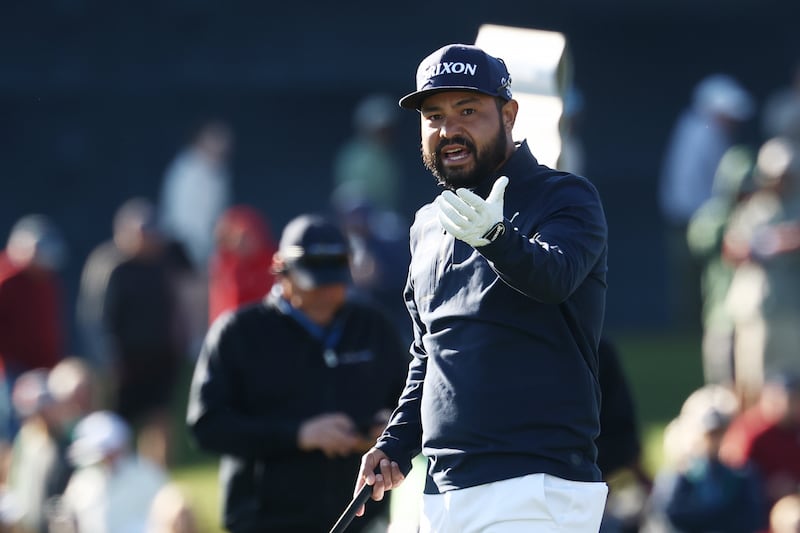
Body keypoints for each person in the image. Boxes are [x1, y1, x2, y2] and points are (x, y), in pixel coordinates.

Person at [352, 43, 610, 532]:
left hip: (537, 483)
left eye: (468, 111)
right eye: (434, 116)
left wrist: (495, 238)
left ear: (509, 114)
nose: (449, 130)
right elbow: (430, 353)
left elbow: (552, 279)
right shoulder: (427, 224)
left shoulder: (566, 196)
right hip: (445, 490)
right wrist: (396, 443)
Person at [186, 213, 409, 532]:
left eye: (334, 281)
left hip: (359, 519)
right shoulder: (239, 333)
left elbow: (406, 404)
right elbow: (207, 426)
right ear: (282, 271)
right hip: (265, 521)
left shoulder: (374, 327)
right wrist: (299, 435)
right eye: (314, 283)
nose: (326, 293)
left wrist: (385, 429)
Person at [658, 73, 754, 333]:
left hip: (697, 221)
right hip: (694, 222)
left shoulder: (697, 129)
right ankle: (692, 335)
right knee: (692, 287)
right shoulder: (702, 134)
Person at [207, 204, 278, 325]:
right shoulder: (224, 263)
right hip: (230, 328)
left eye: (245, 236)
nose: (239, 242)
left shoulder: (272, 261)